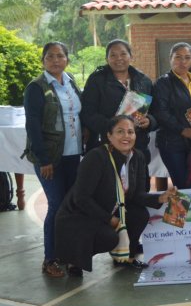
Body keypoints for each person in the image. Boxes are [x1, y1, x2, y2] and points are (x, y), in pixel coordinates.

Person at [55, 116, 175, 275]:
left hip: (110, 207)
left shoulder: (137, 157)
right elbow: (81, 199)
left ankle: (127, 257)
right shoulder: (96, 157)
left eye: (130, 132)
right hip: (79, 215)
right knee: (109, 237)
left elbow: (137, 195)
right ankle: (74, 259)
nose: (126, 136)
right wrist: (109, 219)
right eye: (120, 132)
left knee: (139, 214)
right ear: (109, 136)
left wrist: (160, 198)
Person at [22, 42, 83, 278]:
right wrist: (44, 158)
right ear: (43, 60)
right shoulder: (36, 87)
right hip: (50, 158)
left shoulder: (71, 82)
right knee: (57, 205)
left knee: (70, 206)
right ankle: (50, 259)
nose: (55, 60)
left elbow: (78, 114)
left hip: (73, 154)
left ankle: (69, 255)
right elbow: (33, 125)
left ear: (67, 59)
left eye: (60, 56)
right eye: (50, 57)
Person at [80, 39, 156, 162]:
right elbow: (88, 113)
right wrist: (115, 128)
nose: (118, 58)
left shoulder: (143, 80)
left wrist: (149, 121)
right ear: (107, 59)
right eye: (113, 55)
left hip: (138, 146)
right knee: (111, 180)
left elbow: (155, 112)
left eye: (123, 54)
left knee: (139, 180)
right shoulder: (97, 80)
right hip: (106, 146)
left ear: (131, 56)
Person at [152, 43, 191, 188]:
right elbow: (160, 112)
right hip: (173, 143)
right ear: (170, 59)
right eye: (178, 57)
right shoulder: (163, 83)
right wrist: (182, 130)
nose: (183, 62)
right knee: (184, 185)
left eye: (187, 58)